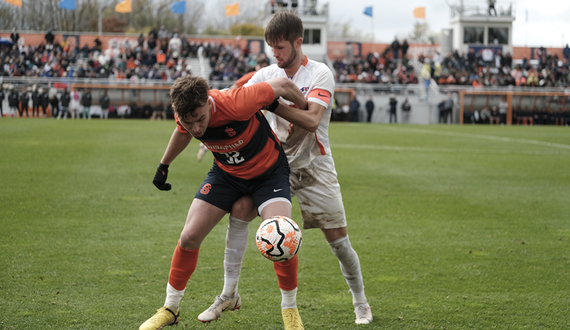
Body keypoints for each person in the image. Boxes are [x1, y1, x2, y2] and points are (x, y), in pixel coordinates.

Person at [200, 10, 372, 326]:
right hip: (274, 167)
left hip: (315, 167)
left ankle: (360, 302)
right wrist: (208, 126)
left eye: (280, 48)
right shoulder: (268, 75)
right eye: (271, 48)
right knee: (239, 209)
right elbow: (234, 96)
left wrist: (273, 102)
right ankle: (228, 294)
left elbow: (311, 120)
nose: (275, 54)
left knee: (339, 243)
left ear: (298, 43)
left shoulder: (320, 74)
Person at [139, 74, 308, 330]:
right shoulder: (184, 114)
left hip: (268, 174)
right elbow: (182, 132)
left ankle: (290, 310)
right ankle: (170, 308)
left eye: (200, 120)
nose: (196, 128)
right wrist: (164, 165)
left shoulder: (236, 102)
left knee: (282, 236)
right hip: (226, 174)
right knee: (188, 236)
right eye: (188, 121)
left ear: (208, 102)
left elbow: (283, 86)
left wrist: (304, 107)